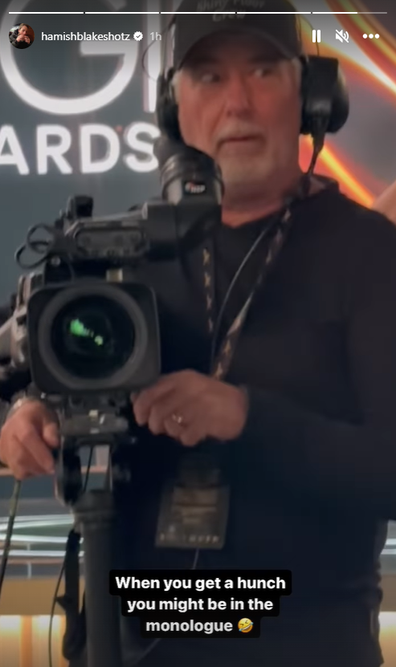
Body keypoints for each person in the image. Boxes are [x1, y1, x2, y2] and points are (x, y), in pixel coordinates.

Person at [1, 0, 396, 666]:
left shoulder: (370, 253)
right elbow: (12, 375)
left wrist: (249, 416)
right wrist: (24, 412)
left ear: (310, 96)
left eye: (264, 72)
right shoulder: (106, 249)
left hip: (302, 641)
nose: (237, 102)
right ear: (173, 108)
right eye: (209, 77)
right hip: (125, 636)